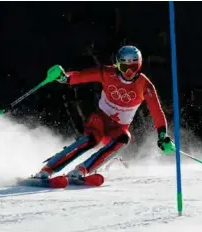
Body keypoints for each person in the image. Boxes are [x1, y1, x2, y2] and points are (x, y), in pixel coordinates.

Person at [35, 45, 175, 179]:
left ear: (139, 65)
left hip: (118, 128)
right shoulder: (108, 73)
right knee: (92, 139)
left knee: (124, 138)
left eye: (133, 67)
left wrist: (162, 135)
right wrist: (64, 78)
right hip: (100, 120)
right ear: (118, 65)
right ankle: (48, 169)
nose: (129, 72)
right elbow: (82, 76)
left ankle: (83, 169)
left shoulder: (145, 86)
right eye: (124, 67)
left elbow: (157, 112)